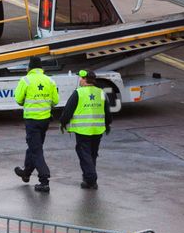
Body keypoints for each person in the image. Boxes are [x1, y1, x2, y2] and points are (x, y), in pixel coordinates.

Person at [12, 56, 58, 192]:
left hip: (32, 120)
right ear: (41, 68)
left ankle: (44, 180)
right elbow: (55, 101)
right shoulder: (49, 80)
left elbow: (18, 99)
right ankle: (26, 172)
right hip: (45, 120)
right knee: (34, 147)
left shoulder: (25, 80)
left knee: (36, 150)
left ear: (29, 68)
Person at [59, 69, 110, 190]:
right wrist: (108, 124)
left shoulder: (78, 93)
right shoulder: (101, 92)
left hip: (83, 130)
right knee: (92, 154)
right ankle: (89, 180)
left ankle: (91, 179)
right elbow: (107, 111)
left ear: (84, 79)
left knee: (84, 154)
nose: (80, 81)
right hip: (97, 130)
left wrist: (63, 122)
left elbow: (68, 111)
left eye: (81, 78)